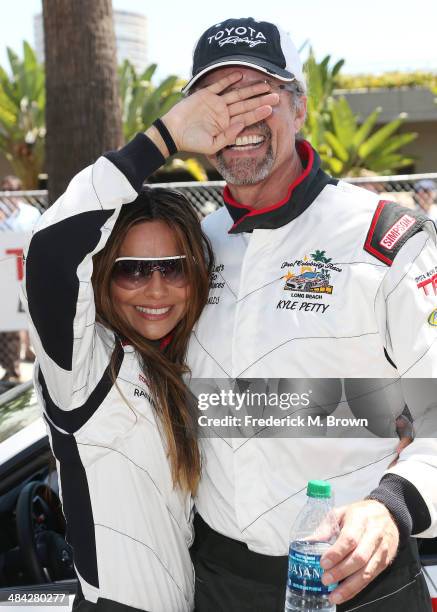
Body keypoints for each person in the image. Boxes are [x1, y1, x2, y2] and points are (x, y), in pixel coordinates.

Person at [166, 18, 435, 611]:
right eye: (218, 101)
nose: (237, 121)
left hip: (358, 578)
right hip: (217, 580)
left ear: (300, 108)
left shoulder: (384, 238)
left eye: (256, 96)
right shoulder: (189, 247)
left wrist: (391, 507)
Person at [22, 81, 276, 611]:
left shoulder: (186, 365)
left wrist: (393, 429)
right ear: (103, 279)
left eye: (174, 269)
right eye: (132, 270)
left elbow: (296, 411)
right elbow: (50, 251)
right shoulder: (85, 365)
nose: (156, 289)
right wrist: (164, 138)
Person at [0, 175, 40, 388]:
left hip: (28, 272)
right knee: (9, 324)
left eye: (13, 191)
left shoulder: (31, 213)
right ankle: (11, 368)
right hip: (5, 273)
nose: (9, 195)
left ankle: (33, 355)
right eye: (5, 191)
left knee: (32, 318)